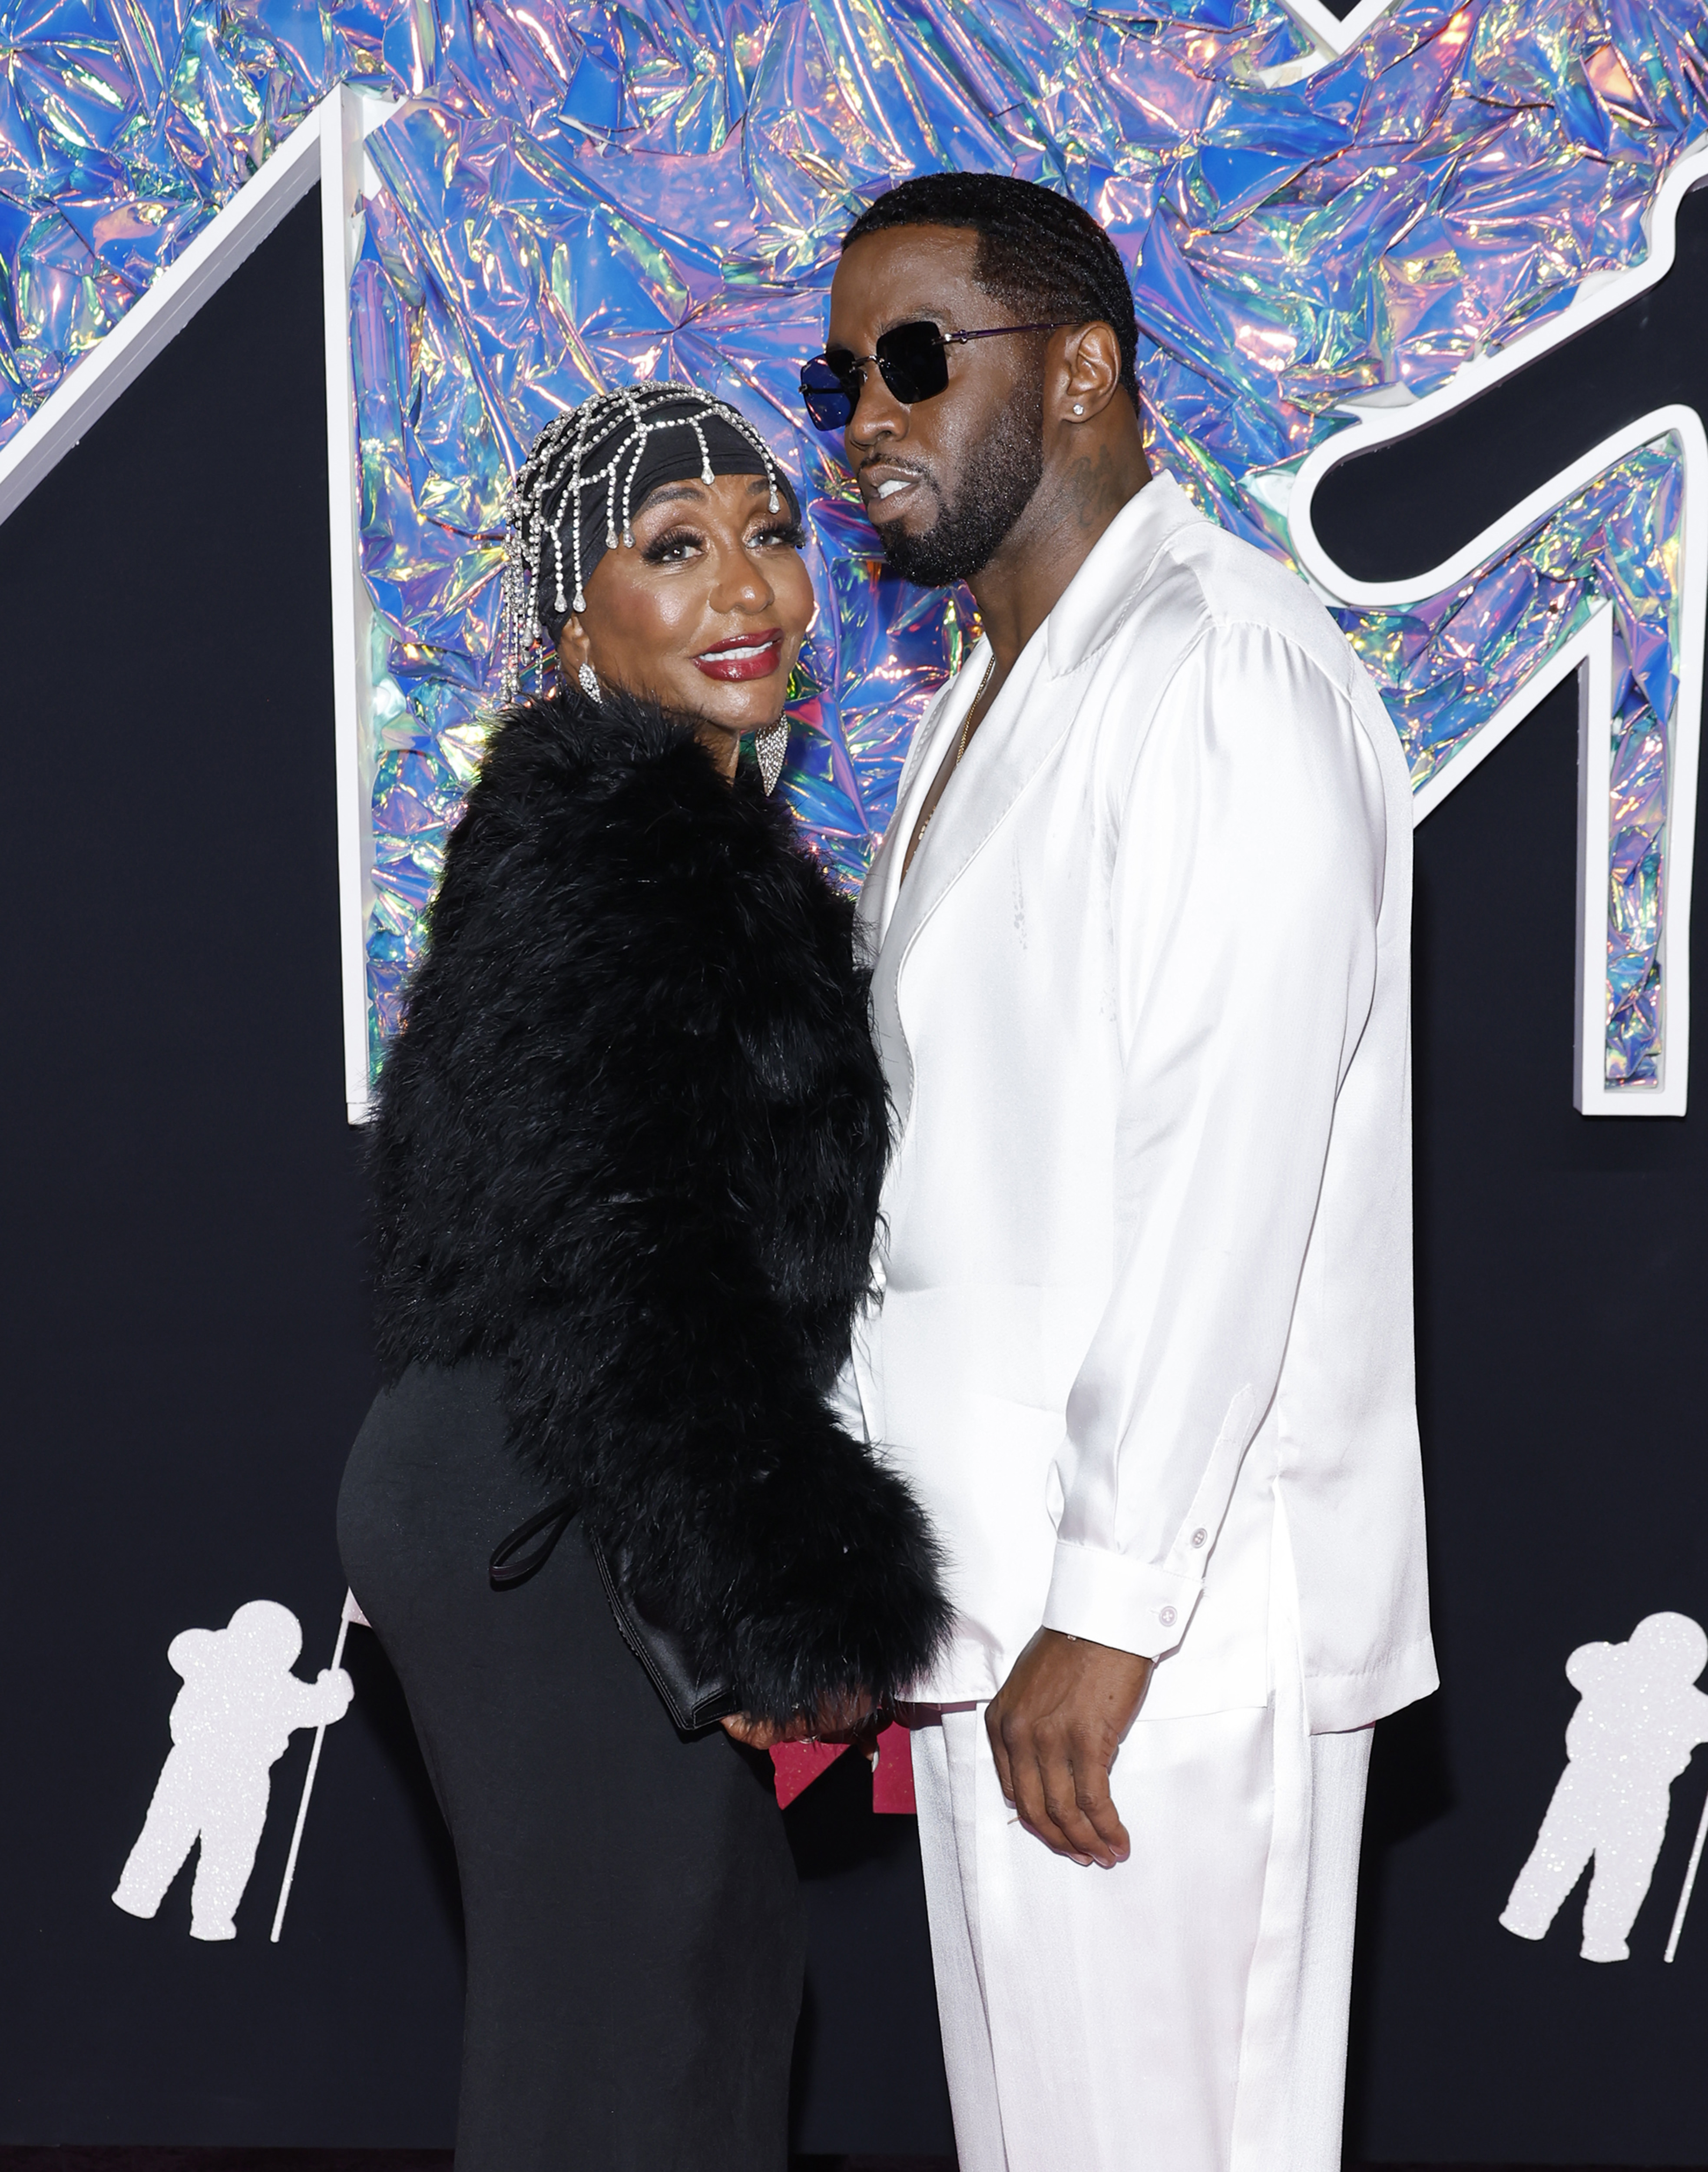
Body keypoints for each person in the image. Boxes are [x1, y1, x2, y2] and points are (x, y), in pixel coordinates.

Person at [799, 173, 1436, 2172]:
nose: (865, 421)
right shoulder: (977, 705)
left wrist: (1106, 1608)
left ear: (1080, 372)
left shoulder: (1225, 676)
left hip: (1163, 1630)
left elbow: (1220, 1178)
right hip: (991, 1610)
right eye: (837, 382)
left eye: (913, 358)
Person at [337, 382, 947, 2172]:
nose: (745, 585)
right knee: (631, 2014)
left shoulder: (665, 829)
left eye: (769, 530)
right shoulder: (621, 848)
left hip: (556, 1466)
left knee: (693, 1977)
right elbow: (626, 1260)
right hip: (552, 1490)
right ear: (568, 612)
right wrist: (772, 1587)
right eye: (671, 550)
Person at [111, 1599, 353, 1941]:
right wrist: (335, 1691)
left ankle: (180, 1907)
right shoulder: (226, 1664)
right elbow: (181, 1649)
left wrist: (334, 1693)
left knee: (214, 1847)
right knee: (192, 1841)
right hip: (208, 1767)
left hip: (226, 1773)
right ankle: (160, 1901)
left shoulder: (247, 1674)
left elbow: (320, 1708)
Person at [1502, 1611, 1708, 1962]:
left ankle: (1604, 1939)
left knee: (1626, 1870)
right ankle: (1527, 1917)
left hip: (1644, 1793)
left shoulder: (1688, 1703)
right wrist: (1622, 1654)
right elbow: (1580, 1662)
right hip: (1589, 1779)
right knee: (1560, 1852)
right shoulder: (1613, 1669)